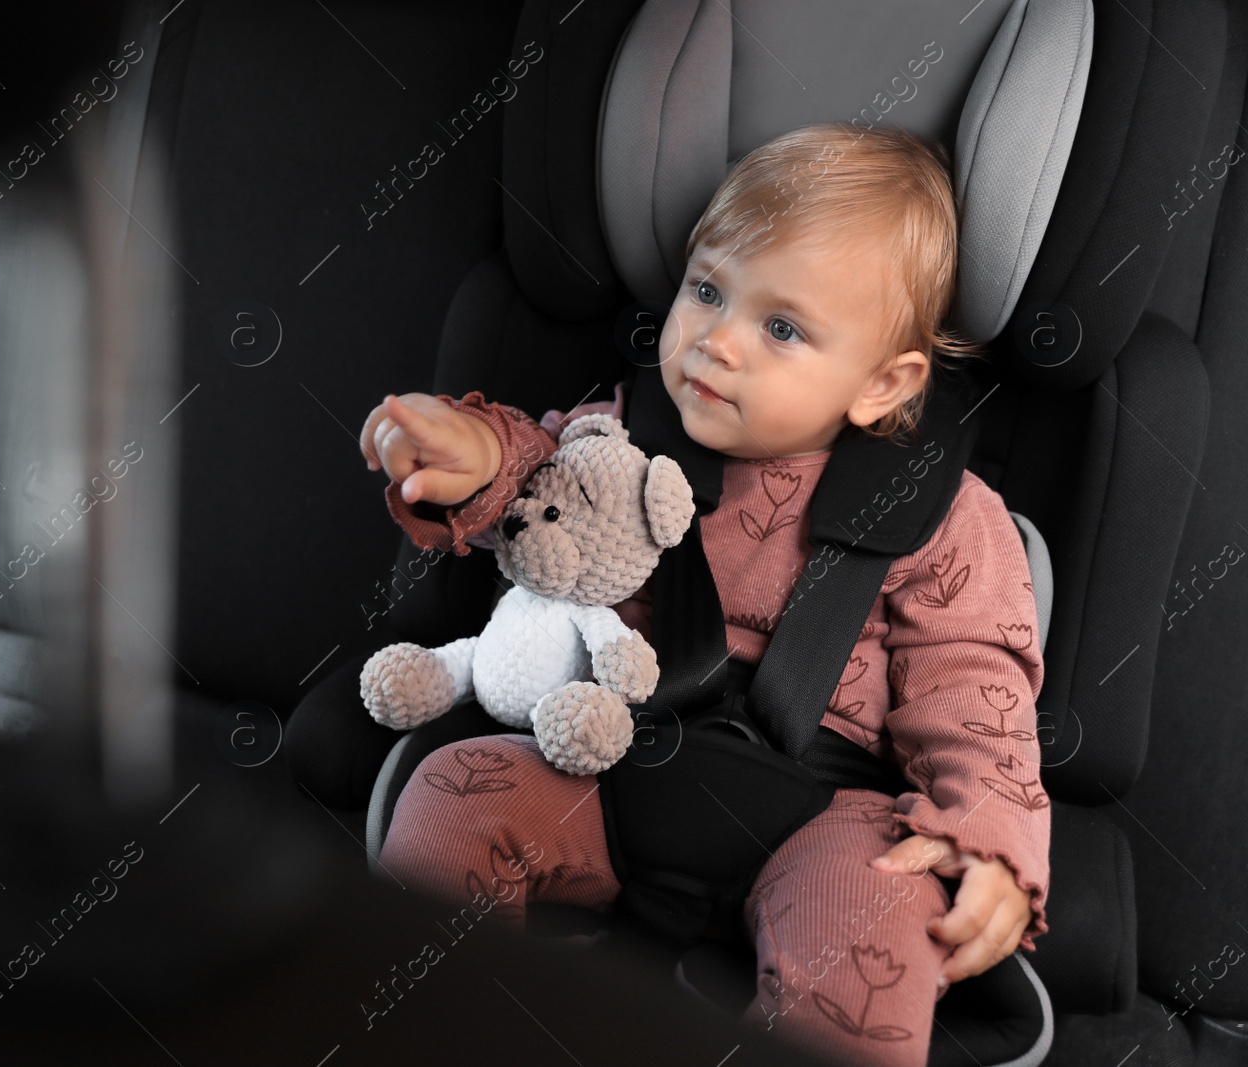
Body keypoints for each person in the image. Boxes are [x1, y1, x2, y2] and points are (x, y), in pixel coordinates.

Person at [335, 123, 1048, 1067]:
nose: (716, 342)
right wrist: (474, 461)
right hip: (610, 756)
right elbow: (538, 478)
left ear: (884, 382)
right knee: (458, 794)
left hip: (829, 812)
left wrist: (984, 838)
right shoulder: (629, 428)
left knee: (875, 915)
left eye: (782, 328)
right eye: (707, 290)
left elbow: (977, 687)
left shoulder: (950, 516)